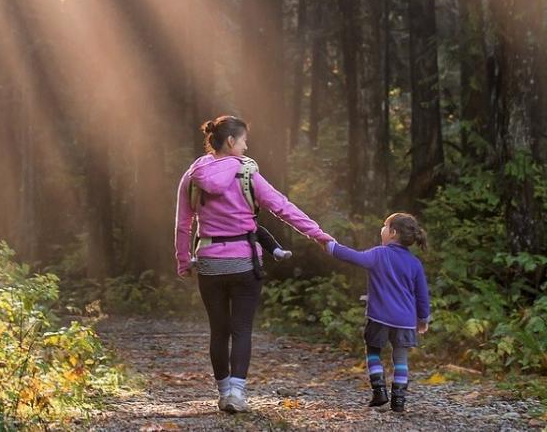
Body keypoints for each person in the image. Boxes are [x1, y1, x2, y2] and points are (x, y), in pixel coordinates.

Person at [175, 115, 334, 414]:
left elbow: (183, 223)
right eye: (244, 140)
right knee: (241, 329)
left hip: (209, 262)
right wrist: (317, 234)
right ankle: (237, 393)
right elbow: (282, 207)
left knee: (218, 330)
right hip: (244, 263)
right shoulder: (247, 173)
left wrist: (184, 260)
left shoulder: (193, 175)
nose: (246, 147)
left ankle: (223, 393)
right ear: (231, 141)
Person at [324, 212, 430, 412]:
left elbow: (353, 257)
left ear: (393, 232)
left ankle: (379, 390)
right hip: (405, 320)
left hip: (379, 316)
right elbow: (422, 295)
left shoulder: (379, 254)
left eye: (384, 226)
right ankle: (399, 399)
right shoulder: (415, 263)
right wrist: (422, 319)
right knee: (401, 358)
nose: (382, 229)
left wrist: (331, 246)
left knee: (373, 351)